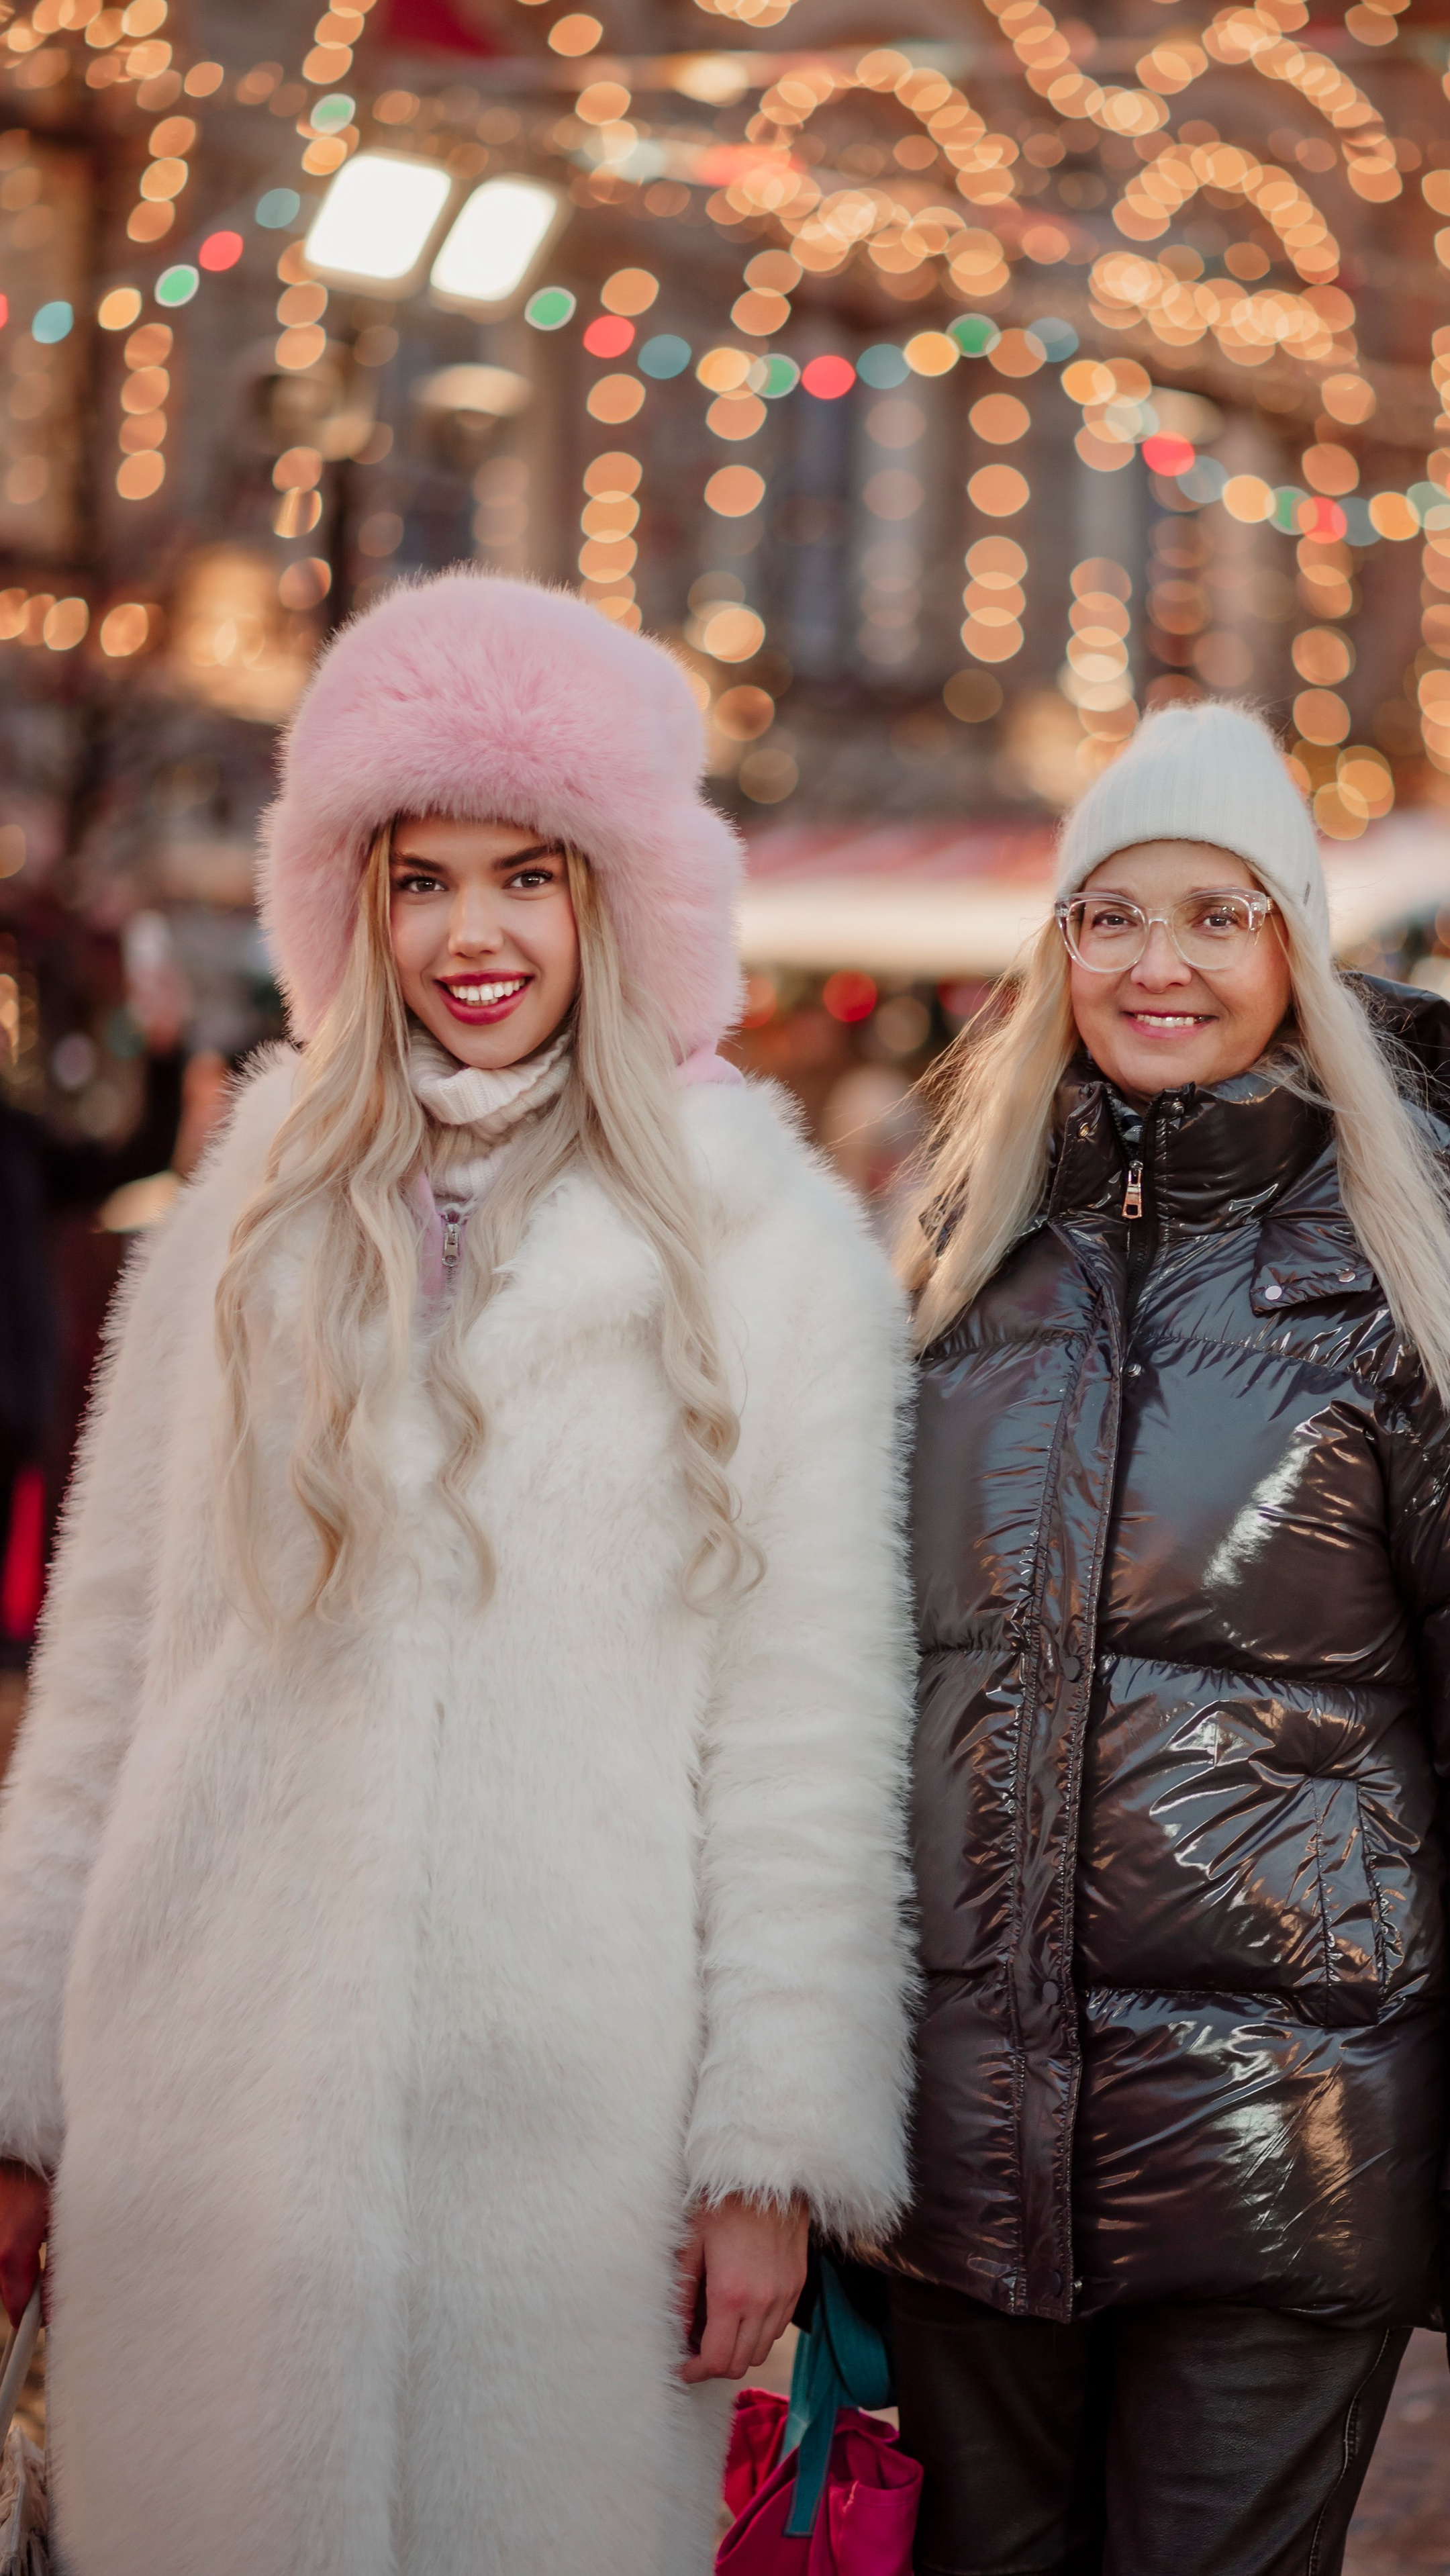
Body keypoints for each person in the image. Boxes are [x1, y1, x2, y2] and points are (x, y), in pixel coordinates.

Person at [0, 572, 916, 2576]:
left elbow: (806, 1737)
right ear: (351, 898)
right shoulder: (241, 1214)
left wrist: (772, 2140)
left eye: (529, 874)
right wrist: (20, 2092)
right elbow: (103, 1680)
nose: (473, 935)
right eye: (420, 879)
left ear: (620, 895)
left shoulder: (766, 1246)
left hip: (569, 2140)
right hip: (206, 2111)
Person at [882, 702, 1450, 2576]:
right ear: (1057, 946)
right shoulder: (949, 1267)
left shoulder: (1438, 1295)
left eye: (1218, 917)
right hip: (960, 2169)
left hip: (1284, 2153)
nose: (1161, 965)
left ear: (1297, 949)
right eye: (1114, 917)